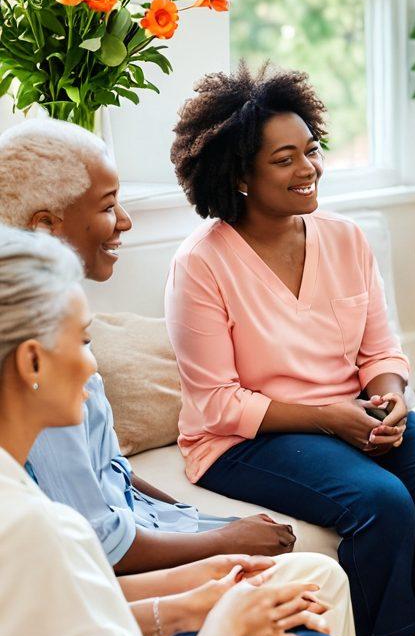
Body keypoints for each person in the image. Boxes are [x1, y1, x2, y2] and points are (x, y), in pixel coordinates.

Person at [0, 118, 383, 636]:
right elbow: (99, 574)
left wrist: (189, 553)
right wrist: (214, 606)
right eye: (83, 346)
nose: (92, 365)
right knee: (316, 631)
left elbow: (97, 511)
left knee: (323, 553)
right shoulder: (28, 499)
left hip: (127, 568)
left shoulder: (36, 378)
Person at [166, 63, 415, 636]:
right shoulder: (202, 263)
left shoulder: (344, 238)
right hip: (246, 437)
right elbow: (218, 401)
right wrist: (331, 418)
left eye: (312, 149)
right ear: (240, 175)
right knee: (379, 502)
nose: (309, 167)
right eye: (286, 158)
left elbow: (382, 348)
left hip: (348, 411)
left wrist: (391, 396)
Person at [0, 119, 297, 573]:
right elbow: (102, 546)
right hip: (119, 570)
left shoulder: (60, 329)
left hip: (146, 526)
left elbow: (112, 473)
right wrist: (224, 540)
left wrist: (200, 520)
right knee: (312, 583)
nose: (125, 220)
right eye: (108, 205)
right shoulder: (39, 369)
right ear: (46, 227)